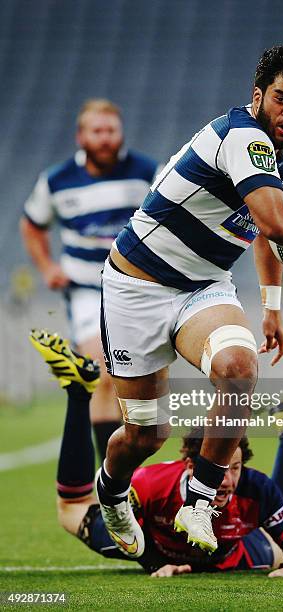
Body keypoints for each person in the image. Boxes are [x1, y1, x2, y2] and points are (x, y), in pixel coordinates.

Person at [97, 45, 283, 557]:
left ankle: (200, 498)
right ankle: (112, 490)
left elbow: (263, 232)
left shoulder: (278, 164)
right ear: (258, 96)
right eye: (281, 98)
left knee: (239, 368)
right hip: (136, 288)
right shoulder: (242, 137)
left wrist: (272, 306)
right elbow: (278, 223)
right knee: (146, 435)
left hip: (203, 286)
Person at [29, 328, 283, 578]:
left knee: (279, 542)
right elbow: (130, 529)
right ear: (191, 465)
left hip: (229, 551)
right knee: (73, 509)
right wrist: (159, 563)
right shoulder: (152, 484)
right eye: (222, 467)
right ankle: (79, 393)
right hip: (155, 542)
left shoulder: (254, 486)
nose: (229, 479)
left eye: (235, 467)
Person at [20, 99, 159, 459]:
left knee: (135, 379)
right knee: (100, 370)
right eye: (97, 131)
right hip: (84, 288)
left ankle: (127, 467)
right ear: (81, 136)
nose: (105, 139)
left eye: (111, 131)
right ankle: (110, 474)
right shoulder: (57, 180)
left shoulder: (146, 172)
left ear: (120, 133)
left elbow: (169, 217)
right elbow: (32, 225)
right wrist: (47, 266)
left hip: (134, 287)